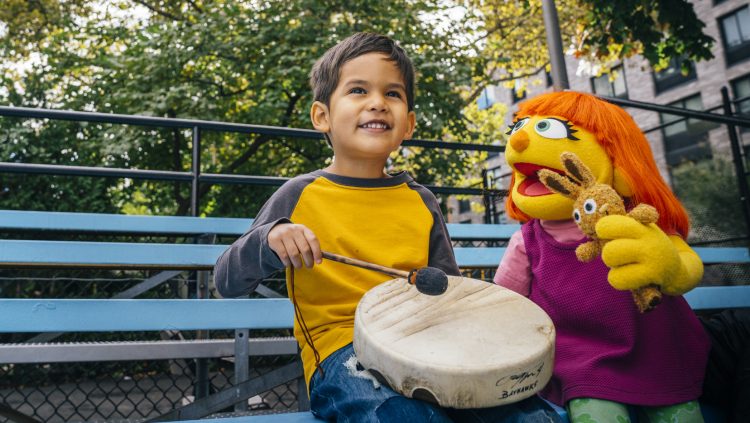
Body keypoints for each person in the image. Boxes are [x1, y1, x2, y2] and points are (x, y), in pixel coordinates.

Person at [214, 32, 561, 422]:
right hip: (342, 355)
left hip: (430, 348)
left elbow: (445, 290)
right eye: (358, 90)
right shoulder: (299, 195)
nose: (378, 103)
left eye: (392, 94)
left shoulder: (421, 200)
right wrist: (269, 239)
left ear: (408, 124)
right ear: (321, 116)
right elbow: (226, 281)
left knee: (538, 418)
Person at [494, 91, 710, 422]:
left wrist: (666, 266)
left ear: (618, 161)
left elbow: (685, 269)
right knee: (597, 414)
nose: (520, 139)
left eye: (550, 130)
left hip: (659, 354)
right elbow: (506, 305)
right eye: (520, 128)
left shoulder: (638, 220)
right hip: (582, 362)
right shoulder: (527, 241)